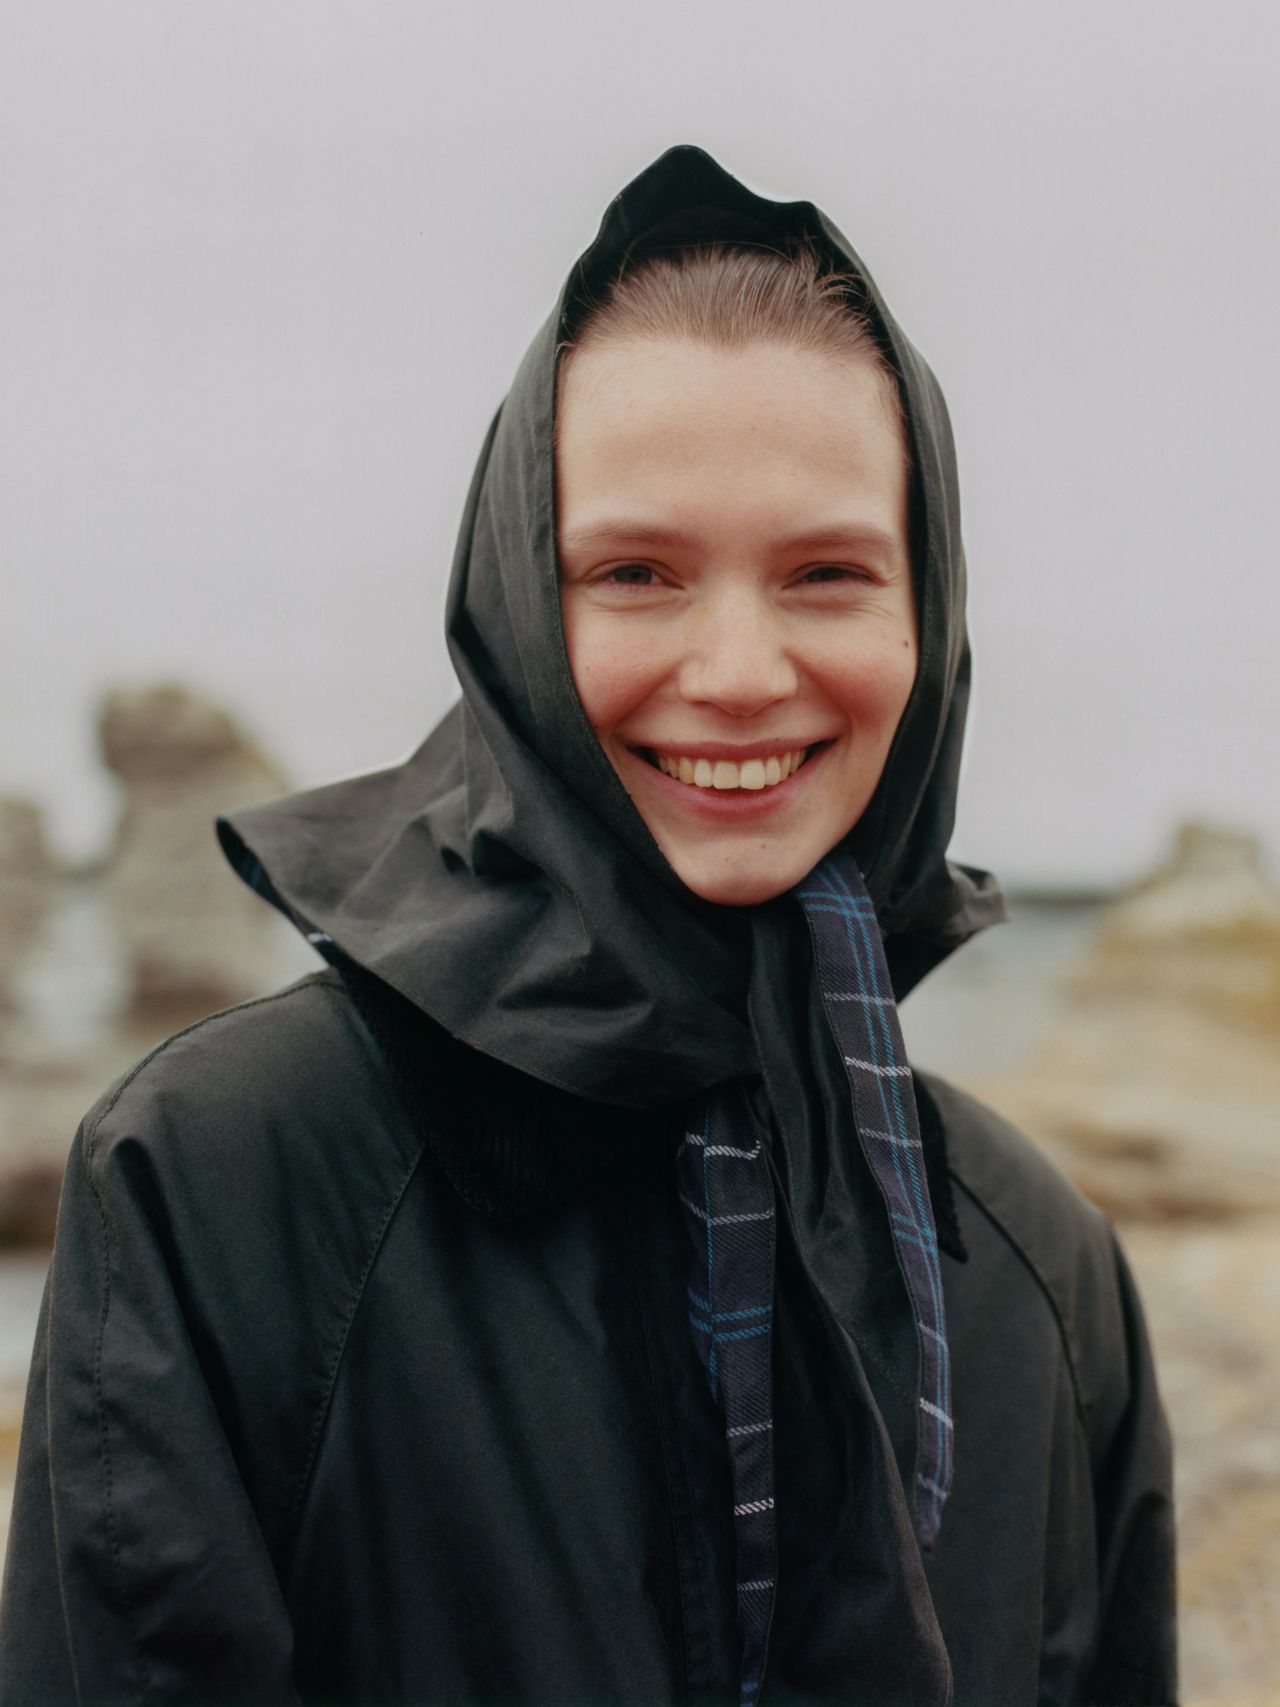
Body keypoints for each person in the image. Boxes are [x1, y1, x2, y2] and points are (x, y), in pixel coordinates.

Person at [0, 145, 1176, 1706]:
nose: (743, 668)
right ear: (516, 611)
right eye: (635, 571)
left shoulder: (1044, 1273)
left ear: (928, 619)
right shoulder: (214, 1184)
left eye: (828, 572)